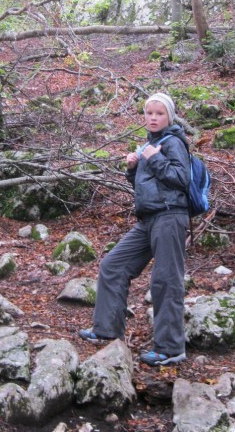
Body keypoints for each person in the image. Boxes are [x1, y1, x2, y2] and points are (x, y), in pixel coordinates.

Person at [78, 92, 190, 366]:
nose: (153, 118)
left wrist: (154, 159)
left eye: (159, 113)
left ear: (170, 117)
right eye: (149, 113)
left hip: (170, 217)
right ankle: (107, 329)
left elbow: (181, 178)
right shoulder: (150, 145)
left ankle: (170, 349)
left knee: (165, 280)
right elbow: (150, 186)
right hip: (148, 219)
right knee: (113, 265)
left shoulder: (174, 142)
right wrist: (132, 169)